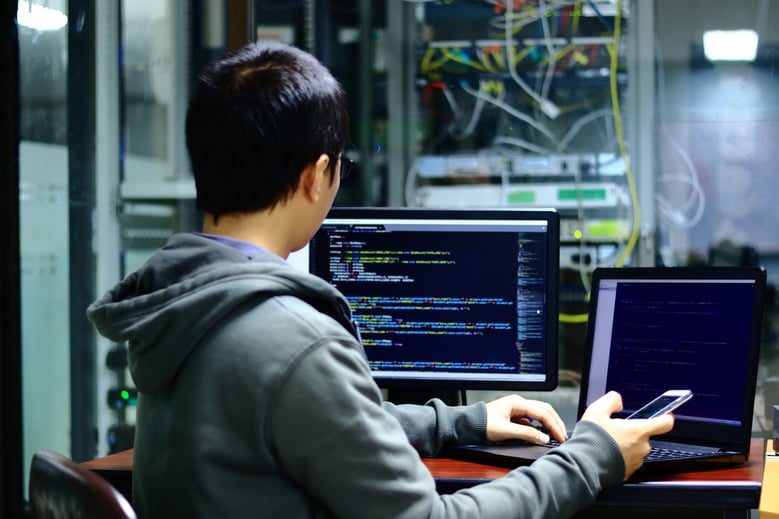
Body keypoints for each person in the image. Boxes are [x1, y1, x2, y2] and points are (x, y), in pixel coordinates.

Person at [87, 40, 673, 519]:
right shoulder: (291, 339)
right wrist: (591, 456)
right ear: (319, 175)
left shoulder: (184, 305)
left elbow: (306, 421)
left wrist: (460, 421)